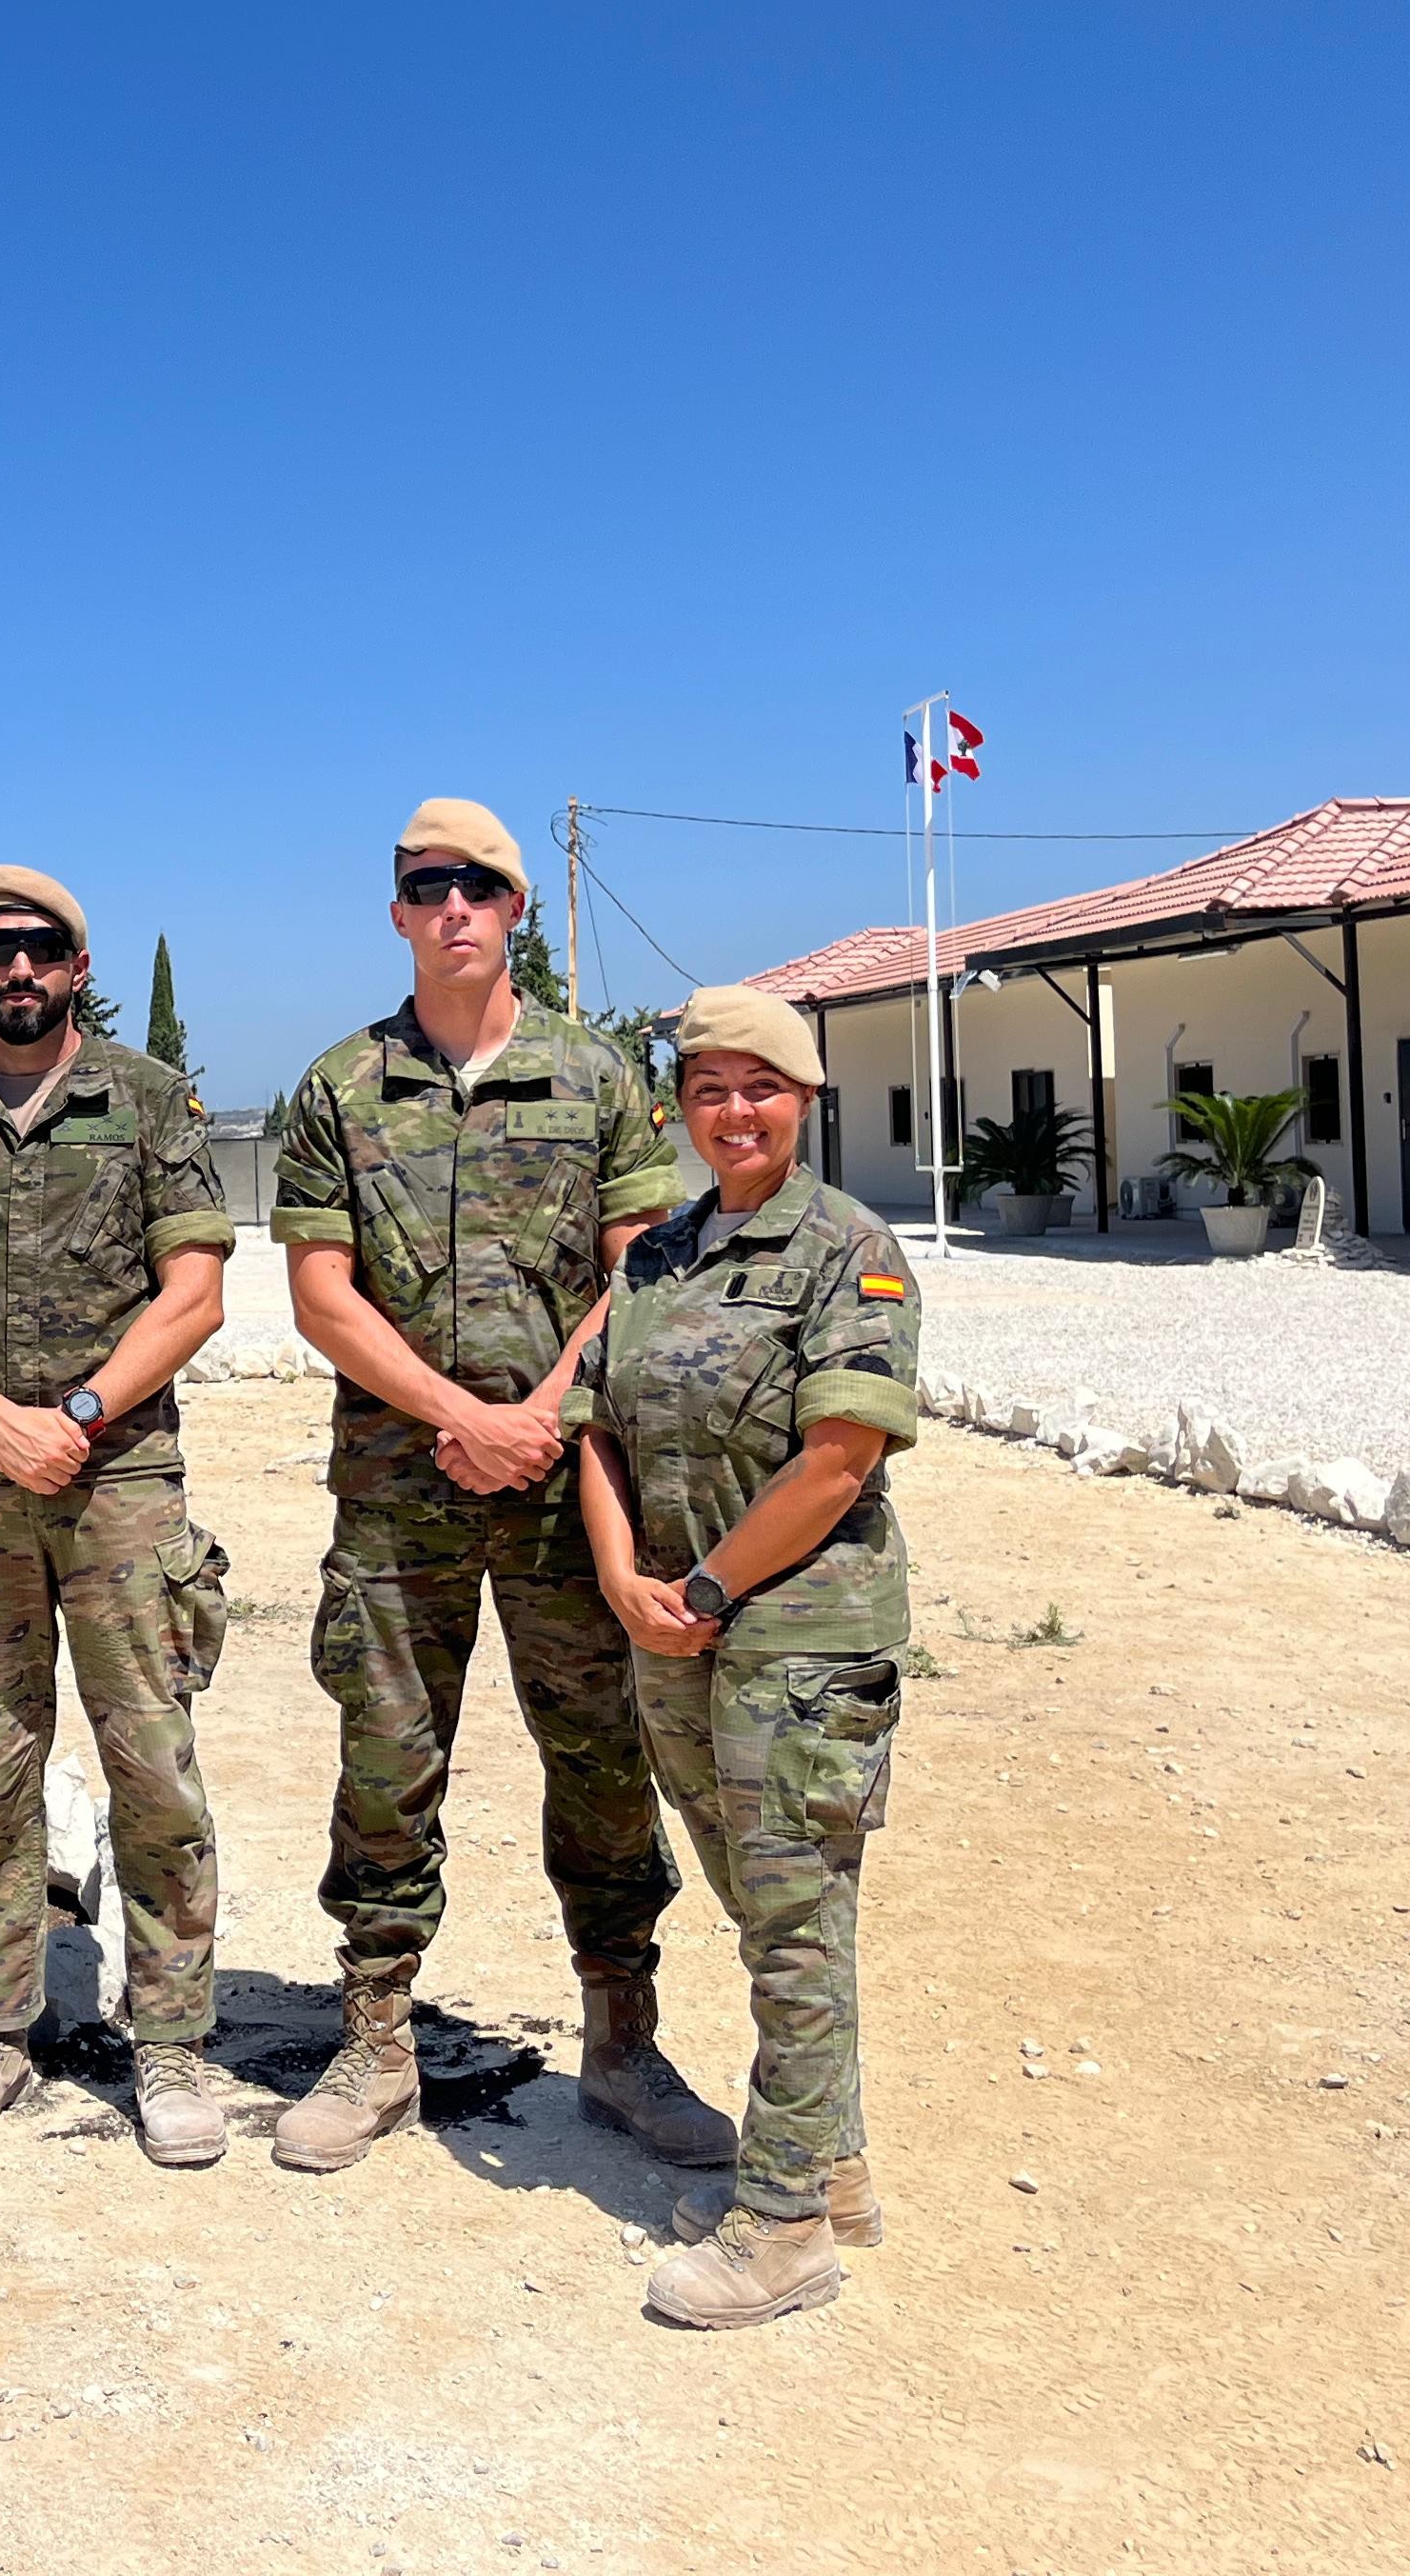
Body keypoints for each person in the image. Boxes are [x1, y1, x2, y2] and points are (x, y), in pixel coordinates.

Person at [266, 799, 726, 2174]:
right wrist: (460, 1413)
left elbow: (635, 1269)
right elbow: (318, 1295)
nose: (452, 906)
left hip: (562, 1482)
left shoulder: (596, 1080)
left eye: (479, 885)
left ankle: (625, 2040)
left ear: (516, 909)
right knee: (389, 1753)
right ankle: (377, 2036)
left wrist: (536, 1417)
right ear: (397, 910)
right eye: (426, 886)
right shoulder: (338, 1090)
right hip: (401, 1485)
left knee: (598, 1753)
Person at [0, 866, 240, 2165]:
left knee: (152, 1766)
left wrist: (72, 1416)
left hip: (118, 1477)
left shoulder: (144, 1102)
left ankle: (174, 2043)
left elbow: (193, 1293)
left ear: (78, 968)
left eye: (43, 950)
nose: (18, 969)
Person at [566, 983, 920, 2329]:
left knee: (791, 1920)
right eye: (709, 1088)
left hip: (793, 1637)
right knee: (764, 1902)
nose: (734, 1112)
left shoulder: (853, 1252)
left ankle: (780, 2232)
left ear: (805, 1101)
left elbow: (841, 1458)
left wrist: (708, 1585)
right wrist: (622, 1577)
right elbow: (598, 1424)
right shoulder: (657, 1253)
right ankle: (830, 2168)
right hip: (672, 1624)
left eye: (760, 1088)